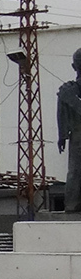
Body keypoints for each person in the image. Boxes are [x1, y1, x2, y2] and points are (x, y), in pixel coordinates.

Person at [57, 48, 81, 212]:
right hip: (77, 136)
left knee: (74, 171)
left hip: (76, 136)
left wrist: (62, 136)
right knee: (74, 171)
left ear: (73, 66)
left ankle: (72, 205)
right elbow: (61, 113)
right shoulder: (68, 89)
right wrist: (62, 136)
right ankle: (72, 205)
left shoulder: (68, 91)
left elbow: (62, 113)